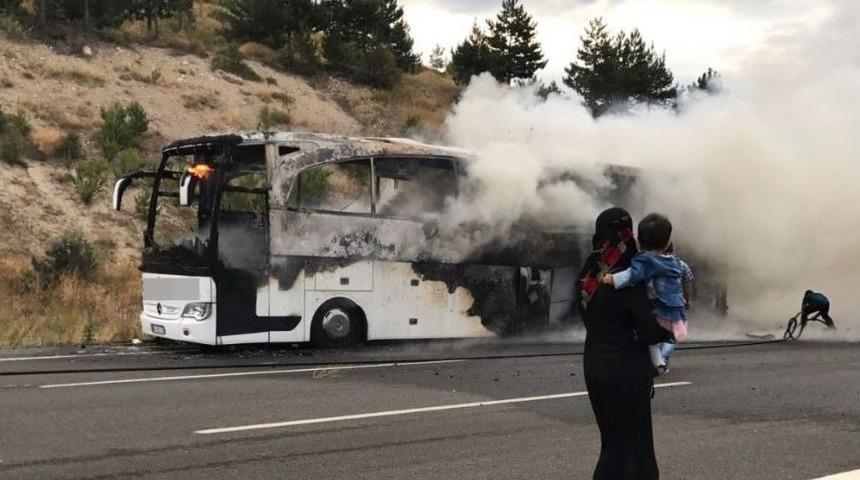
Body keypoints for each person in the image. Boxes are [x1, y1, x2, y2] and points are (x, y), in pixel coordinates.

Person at [577, 207, 672, 480]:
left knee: (623, 441)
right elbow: (648, 329)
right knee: (622, 448)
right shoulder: (629, 277)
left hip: (594, 365)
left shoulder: (589, 275)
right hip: (626, 371)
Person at [601, 213, 687, 375]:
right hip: (674, 308)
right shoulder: (673, 262)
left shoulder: (646, 261)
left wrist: (613, 279)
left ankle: (658, 360)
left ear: (639, 242)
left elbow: (632, 275)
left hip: (657, 306)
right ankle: (660, 361)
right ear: (668, 242)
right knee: (666, 337)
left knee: (644, 333)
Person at [659, 243, 695, 369]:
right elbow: (687, 283)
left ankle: (657, 358)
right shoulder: (681, 265)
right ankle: (662, 357)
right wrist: (688, 299)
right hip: (675, 304)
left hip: (656, 303)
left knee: (657, 332)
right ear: (672, 249)